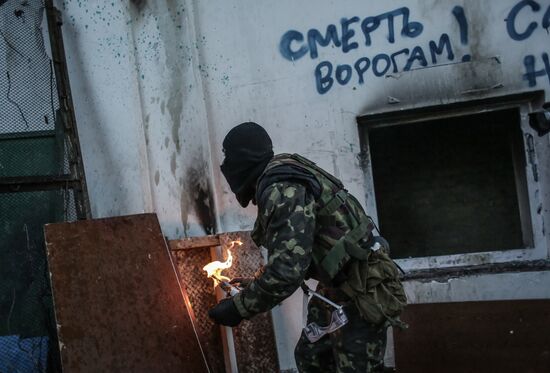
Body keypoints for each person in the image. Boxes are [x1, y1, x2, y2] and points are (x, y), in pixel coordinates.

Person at [208, 122, 406, 372]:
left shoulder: (281, 188)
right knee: (313, 358)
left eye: (229, 157)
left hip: (361, 289)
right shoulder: (281, 174)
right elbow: (293, 255)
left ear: (244, 158)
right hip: (337, 290)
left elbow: (288, 270)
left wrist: (239, 308)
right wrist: (254, 283)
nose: (227, 166)